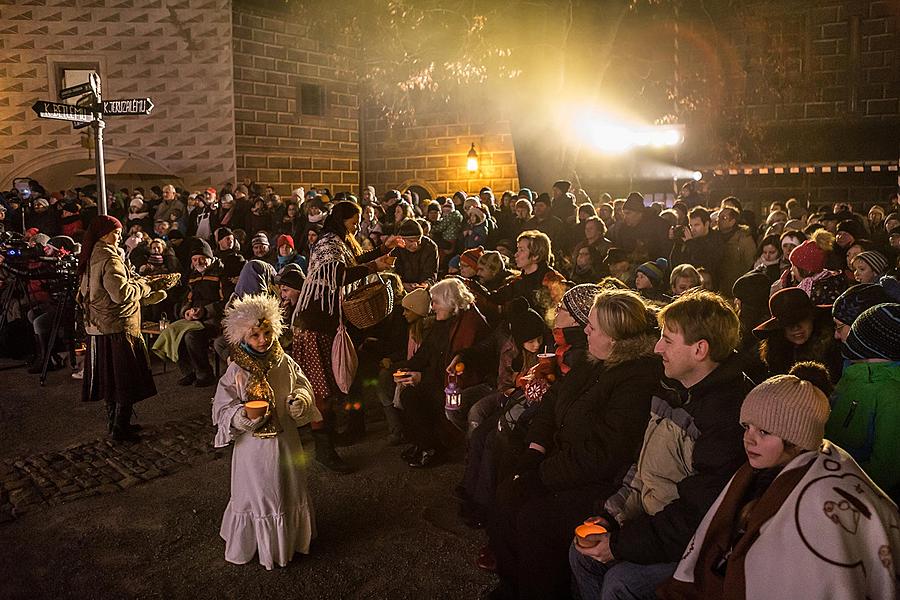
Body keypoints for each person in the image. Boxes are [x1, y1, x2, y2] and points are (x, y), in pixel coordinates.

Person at [657, 365, 900, 600]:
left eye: (764, 432)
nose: (749, 439)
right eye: (747, 427)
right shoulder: (760, 470)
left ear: (796, 439)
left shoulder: (820, 498)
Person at [570, 290, 752, 600]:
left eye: (667, 340)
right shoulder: (673, 388)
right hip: (656, 525)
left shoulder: (725, 418)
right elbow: (643, 468)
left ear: (699, 350)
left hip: (695, 547)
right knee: (582, 555)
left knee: (621, 581)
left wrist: (618, 545)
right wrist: (613, 517)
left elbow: (696, 516)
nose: (657, 348)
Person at [486, 289, 662, 599]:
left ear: (615, 337)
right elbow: (553, 404)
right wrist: (534, 450)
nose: (584, 330)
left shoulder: (636, 378)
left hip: (597, 480)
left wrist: (540, 475)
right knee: (506, 489)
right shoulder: (593, 359)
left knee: (535, 518)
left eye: (592, 327)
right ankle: (511, 585)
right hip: (558, 460)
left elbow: (603, 454)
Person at [212, 293, 321, 570]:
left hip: (285, 441)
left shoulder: (283, 360)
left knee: (286, 488)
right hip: (253, 449)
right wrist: (240, 417)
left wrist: (300, 401)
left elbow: (302, 384)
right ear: (243, 338)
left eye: (267, 332)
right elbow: (222, 407)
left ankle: (289, 540)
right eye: (255, 336)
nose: (263, 340)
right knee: (257, 492)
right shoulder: (236, 369)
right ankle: (258, 542)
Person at [292, 201, 400, 472]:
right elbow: (339, 273)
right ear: (343, 219)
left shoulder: (342, 241)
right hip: (314, 323)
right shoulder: (328, 243)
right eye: (355, 219)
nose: (357, 223)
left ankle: (331, 439)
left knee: (332, 383)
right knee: (321, 390)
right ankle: (323, 451)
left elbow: (356, 260)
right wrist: (375, 265)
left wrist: (383, 250)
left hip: (328, 323)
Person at [395, 278, 490, 467]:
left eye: (436, 302)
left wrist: (423, 378)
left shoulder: (469, 324)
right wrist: (407, 367)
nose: (432, 306)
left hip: (459, 385)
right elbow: (427, 351)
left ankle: (433, 449)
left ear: (450, 302)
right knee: (409, 395)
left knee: (415, 397)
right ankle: (423, 444)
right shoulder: (444, 322)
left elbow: (457, 370)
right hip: (438, 379)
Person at [78, 215, 158, 442]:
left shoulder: (92, 256)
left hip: (100, 328)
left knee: (110, 380)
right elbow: (120, 294)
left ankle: (115, 423)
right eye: (116, 233)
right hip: (117, 328)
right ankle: (120, 428)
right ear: (104, 234)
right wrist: (144, 286)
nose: (119, 237)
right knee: (124, 380)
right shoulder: (109, 259)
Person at [826, 303, 900, 503]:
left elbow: (884, 472)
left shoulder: (891, 395)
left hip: (853, 499)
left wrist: (833, 487)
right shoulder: (854, 375)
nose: (836, 336)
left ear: (868, 344)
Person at [754, 287, 842, 380]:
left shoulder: (835, 350)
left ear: (812, 318)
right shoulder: (775, 356)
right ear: (779, 328)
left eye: (801, 319)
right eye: (787, 323)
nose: (795, 327)